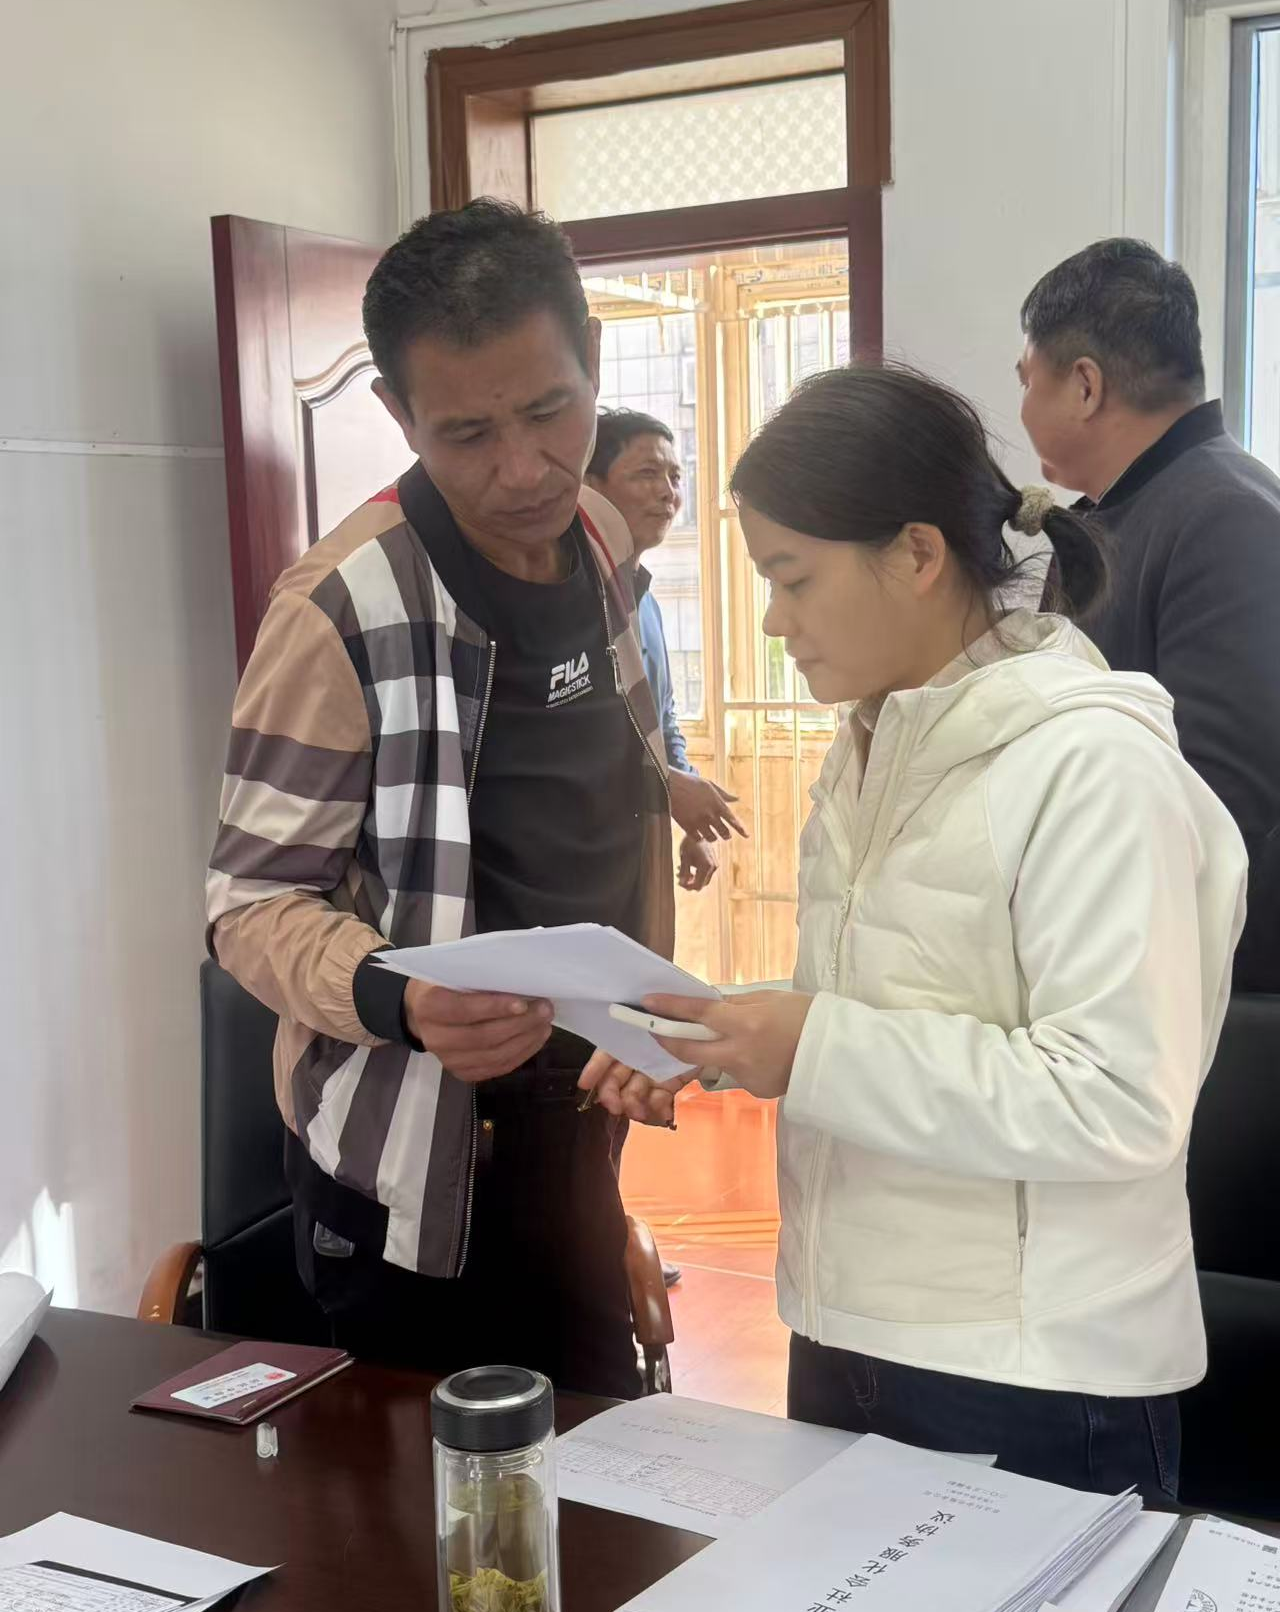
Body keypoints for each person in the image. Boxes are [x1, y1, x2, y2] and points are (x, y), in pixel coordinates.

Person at [581, 363, 1247, 1502]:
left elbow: (1116, 1100)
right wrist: (722, 1035)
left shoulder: (1090, 766)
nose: (772, 620)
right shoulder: (873, 744)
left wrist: (805, 1044)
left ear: (918, 553)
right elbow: (883, 1007)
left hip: (1032, 1372)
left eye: (792, 578)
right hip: (847, 1323)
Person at [206, 200, 676, 1400]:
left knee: (601, 1464)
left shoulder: (599, 536)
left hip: (582, 1117)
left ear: (593, 362)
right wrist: (400, 996)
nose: (521, 470)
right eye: (465, 433)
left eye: (549, 412)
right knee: (431, 1496)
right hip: (411, 1159)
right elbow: (248, 905)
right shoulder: (338, 610)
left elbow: (595, 783)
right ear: (396, 414)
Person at [1018, 237, 1280, 990]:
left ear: (1085, 386)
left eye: (1027, 379)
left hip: (1182, 976)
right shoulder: (1115, 514)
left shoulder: (1227, 516)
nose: (1022, 405)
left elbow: (1221, 805)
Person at [585, 408, 747, 894]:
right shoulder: (569, 600)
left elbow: (663, 719)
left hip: (639, 845)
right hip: (580, 851)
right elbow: (568, 738)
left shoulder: (646, 600)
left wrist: (690, 819)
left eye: (676, 477)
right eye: (647, 474)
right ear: (591, 487)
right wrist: (669, 787)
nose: (668, 493)